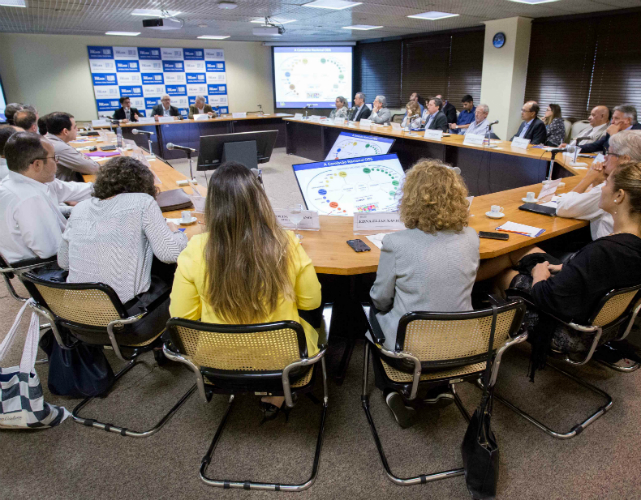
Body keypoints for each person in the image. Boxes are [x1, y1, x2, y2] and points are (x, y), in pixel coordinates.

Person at [169, 161, 322, 419]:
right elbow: (311, 302)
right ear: (259, 199)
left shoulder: (195, 248)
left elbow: (181, 316)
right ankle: (276, 392)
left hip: (216, 364)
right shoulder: (286, 242)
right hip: (285, 361)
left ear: (212, 205)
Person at [488, 162, 641, 362]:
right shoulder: (628, 245)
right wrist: (569, 267)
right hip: (608, 324)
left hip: (569, 329)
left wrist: (539, 275)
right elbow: (605, 273)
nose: (602, 188)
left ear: (619, 196)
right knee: (523, 250)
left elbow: (548, 298)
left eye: (606, 183)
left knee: (504, 275)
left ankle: (483, 337)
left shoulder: (604, 250)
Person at [368, 159, 479, 426]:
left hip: (411, 353)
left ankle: (393, 390)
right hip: (464, 345)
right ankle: (439, 387)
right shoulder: (472, 237)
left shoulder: (395, 242)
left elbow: (380, 298)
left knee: (374, 315)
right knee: (441, 308)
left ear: (410, 199)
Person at [58, 156, 187, 304]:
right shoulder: (142, 202)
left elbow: (63, 262)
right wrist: (176, 232)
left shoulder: (80, 208)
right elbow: (170, 254)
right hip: (125, 310)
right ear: (144, 184)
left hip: (75, 310)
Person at [0, 132, 93, 264]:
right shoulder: (29, 199)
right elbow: (52, 251)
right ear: (37, 165)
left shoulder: (22, 180)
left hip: (49, 255)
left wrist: (111, 186)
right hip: (44, 267)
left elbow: (74, 189)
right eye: (54, 157)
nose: (57, 162)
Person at [556, 130, 641, 240]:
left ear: (625, 160)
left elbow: (563, 207)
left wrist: (588, 178)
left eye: (609, 153)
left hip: (608, 248)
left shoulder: (615, 188)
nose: (605, 157)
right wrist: (597, 183)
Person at [45, 112, 100, 182]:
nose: (77, 129)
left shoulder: (49, 140)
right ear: (65, 131)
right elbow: (93, 168)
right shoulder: (60, 147)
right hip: (64, 186)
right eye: (75, 127)